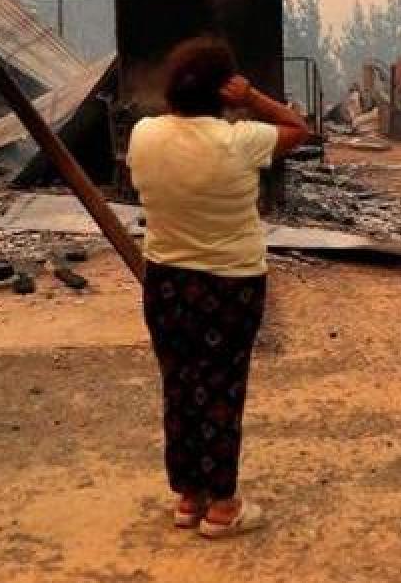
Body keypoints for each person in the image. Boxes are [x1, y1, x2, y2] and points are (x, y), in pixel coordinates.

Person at [126, 36, 309, 539]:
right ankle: (223, 506)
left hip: (165, 283)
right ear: (224, 90)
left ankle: (188, 496)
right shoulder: (241, 139)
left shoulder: (143, 135)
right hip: (232, 285)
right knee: (223, 388)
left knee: (180, 385)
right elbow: (299, 127)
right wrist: (251, 98)